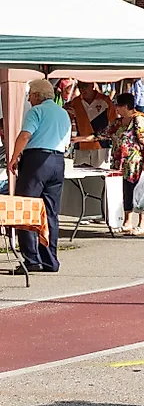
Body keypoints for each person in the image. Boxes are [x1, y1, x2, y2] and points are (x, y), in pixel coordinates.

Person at [8, 79, 71, 273]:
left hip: (36, 160)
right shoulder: (63, 113)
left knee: (26, 207)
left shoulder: (36, 111)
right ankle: (50, 259)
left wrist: (14, 156)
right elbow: (67, 141)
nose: (28, 98)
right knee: (50, 212)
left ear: (37, 95)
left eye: (30, 95)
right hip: (57, 160)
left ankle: (31, 258)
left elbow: (26, 135)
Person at [103, 93, 144, 236]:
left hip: (137, 164)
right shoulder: (118, 122)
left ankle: (142, 224)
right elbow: (103, 134)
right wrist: (80, 139)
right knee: (126, 192)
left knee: (140, 193)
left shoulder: (139, 121)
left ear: (126, 106)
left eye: (118, 106)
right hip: (121, 164)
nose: (116, 109)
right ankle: (127, 222)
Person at [69, 82, 116, 168]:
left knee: (100, 175)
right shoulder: (75, 102)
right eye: (80, 87)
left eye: (85, 86)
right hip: (81, 145)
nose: (83, 89)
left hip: (101, 145)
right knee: (80, 176)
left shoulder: (105, 100)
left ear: (92, 86)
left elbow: (114, 121)